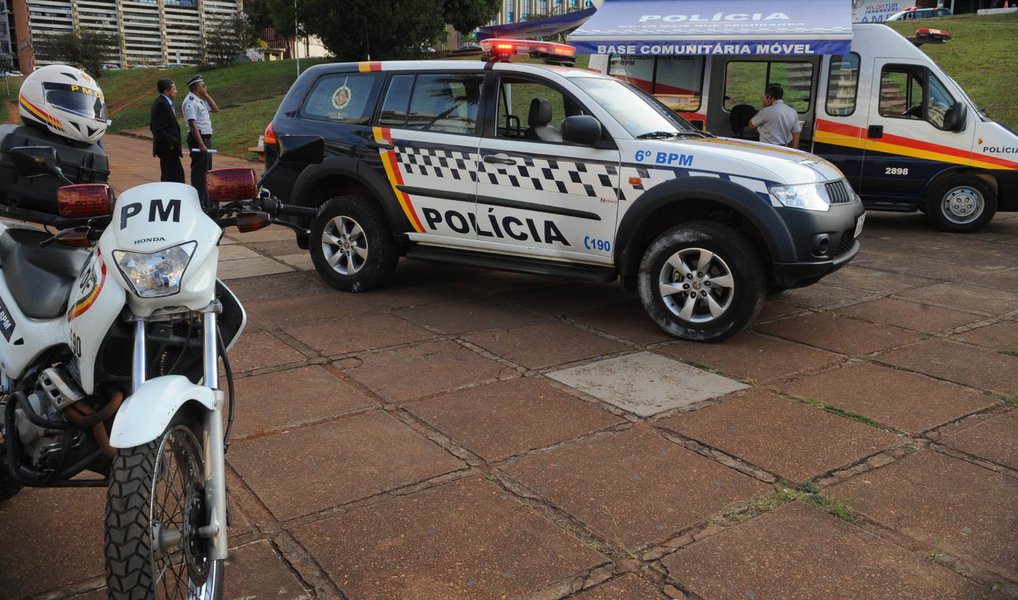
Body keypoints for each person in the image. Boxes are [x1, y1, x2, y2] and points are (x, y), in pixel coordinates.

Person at [181, 73, 219, 202]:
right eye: (203, 86)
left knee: (206, 170)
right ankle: (198, 199)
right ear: (197, 88)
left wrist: (206, 95)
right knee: (199, 171)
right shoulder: (190, 102)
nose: (205, 88)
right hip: (199, 139)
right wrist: (201, 143)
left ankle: (205, 198)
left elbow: (215, 109)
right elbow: (192, 123)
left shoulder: (199, 100)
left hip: (205, 138)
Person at [149, 79, 184, 183]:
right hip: (168, 149)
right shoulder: (162, 104)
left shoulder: (162, 102)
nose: (176, 91)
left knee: (172, 175)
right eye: (174, 89)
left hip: (168, 148)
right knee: (174, 177)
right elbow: (158, 128)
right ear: (166, 91)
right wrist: (170, 144)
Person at [748, 84, 802, 148]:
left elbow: (751, 125)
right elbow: (796, 135)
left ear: (769, 96)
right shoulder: (792, 111)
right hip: (782, 148)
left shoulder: (766, 111)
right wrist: (793, 151)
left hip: (766, 148)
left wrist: (764, 106)